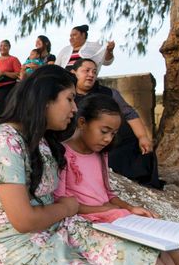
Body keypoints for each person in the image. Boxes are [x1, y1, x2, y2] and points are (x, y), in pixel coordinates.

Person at [0, 66, 166, 265]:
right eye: (69, 99)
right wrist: (67, 207)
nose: (75, 108)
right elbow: (24, 221)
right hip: (22, 244)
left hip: (58, 227)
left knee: (142, 255)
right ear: (46, 99)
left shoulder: (42, 140)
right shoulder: (5, 140)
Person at [55, 94, 179, 265]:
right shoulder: (63, 155)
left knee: (170, 246)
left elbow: (107, 193)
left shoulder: (100, 154)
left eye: (114, 134)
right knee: (151, 257)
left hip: (116, 218)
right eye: (104, 131)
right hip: (93, 223)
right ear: (82, 122)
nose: (108, 139)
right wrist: (106, 209)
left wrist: (130, 208)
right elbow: (62, 202)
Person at [69, 58, 164, 189]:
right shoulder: (68, 94)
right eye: (86, 71)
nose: (91, 74)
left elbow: (129, 114)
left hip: (114, 142)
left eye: (94, 72)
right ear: (74, 73)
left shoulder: (109, 93)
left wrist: (142, 137)